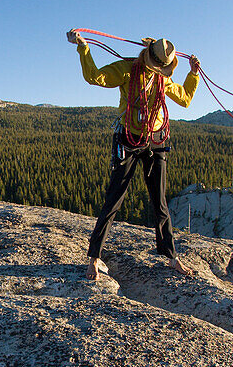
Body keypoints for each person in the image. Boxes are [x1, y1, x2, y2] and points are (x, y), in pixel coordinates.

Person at [67, 30, 200, 281]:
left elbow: (185, 100)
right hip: (129, 139)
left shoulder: (162, 79)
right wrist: (83, 47)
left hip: (157, 140)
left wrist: (193, 74)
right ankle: (94, 258)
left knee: (160, 202)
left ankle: (172, 257)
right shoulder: (127, 69)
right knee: (114, 198)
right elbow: (94, 77)